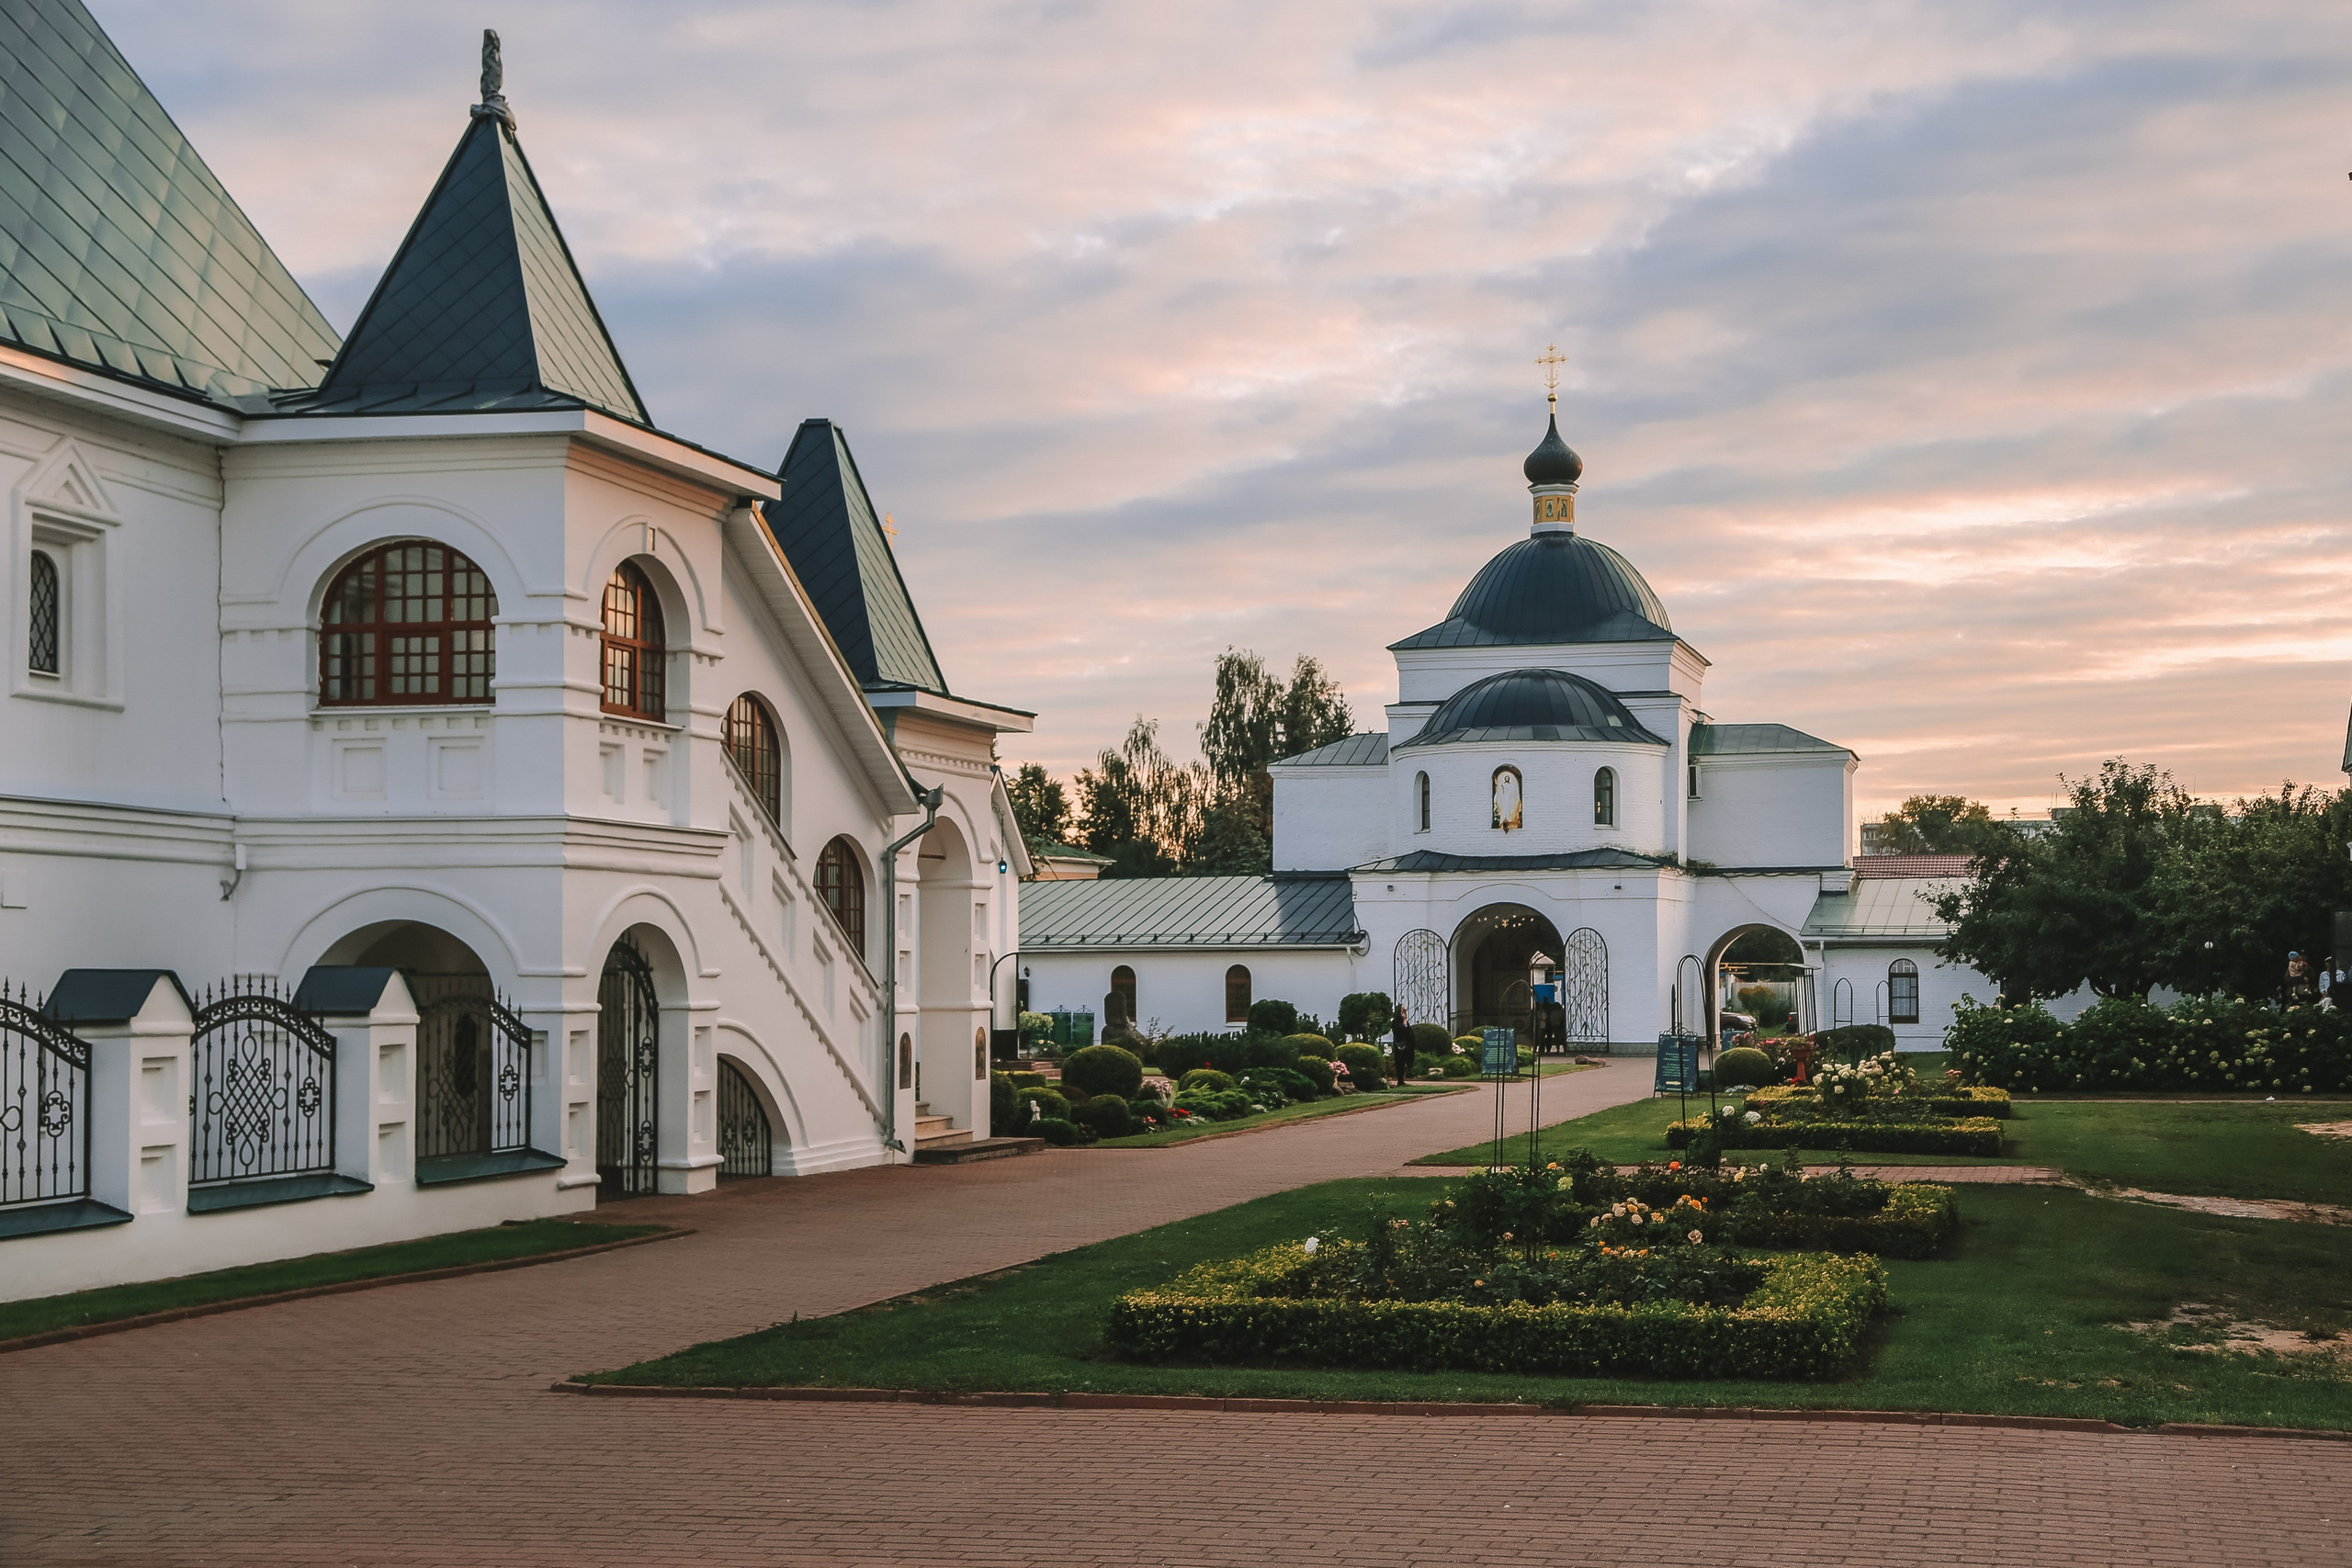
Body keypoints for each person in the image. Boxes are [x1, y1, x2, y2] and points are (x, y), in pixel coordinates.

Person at [1390, 1001, 1414, 1086]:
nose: (1404, 1012)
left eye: (1405, 1010)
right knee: (1399, 1063)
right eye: (1402, 1010)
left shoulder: (1405, 1022)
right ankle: (1400, 1081)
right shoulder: (1395, 1022)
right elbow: (1402, 1030)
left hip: (1406, 1046)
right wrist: (1404, 1020)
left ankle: (1403, 1080)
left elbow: (1409, 1031)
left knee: (1405, 1063)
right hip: (1399, 1046)